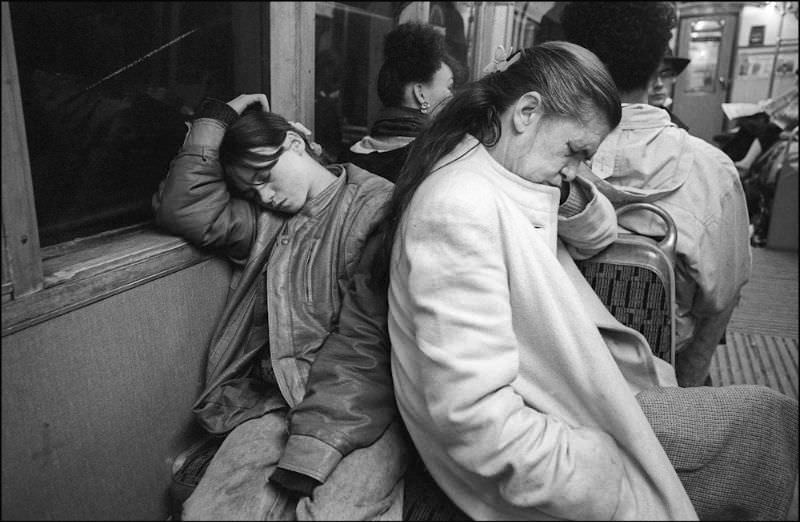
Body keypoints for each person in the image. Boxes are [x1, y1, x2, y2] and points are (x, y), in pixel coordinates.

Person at [379, 40, 798, 520]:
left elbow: (598, 234)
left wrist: (566, 186)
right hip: (560, 430)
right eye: (576, 151)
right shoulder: (460, 207)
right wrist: (602, 476)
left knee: (767, 420)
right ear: (528, 111)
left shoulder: (506, 171)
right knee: (766, 423)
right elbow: (473, 422)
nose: (577, 170)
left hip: (569, 394)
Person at [152, 93, 407, 520]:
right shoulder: (267, 224)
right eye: (251, 189)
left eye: (266, 175)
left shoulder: (379, 208)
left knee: (337, 513)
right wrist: (217, 117)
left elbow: (372, 347)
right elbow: (184, 206)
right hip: (275, 398)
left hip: (368, 403)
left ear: (294, 143)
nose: (264, 195)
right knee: (211, 512)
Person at [561, 1, 752, 388]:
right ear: (659, 68)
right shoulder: (712, 172)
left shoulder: (534, 155)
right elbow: (719, 305)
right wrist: (684, 392)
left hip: (553, 373)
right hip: (659, 378)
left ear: (574, 58)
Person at [340, 22, 455, 182]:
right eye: (449, 87)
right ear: (420, 93)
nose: (451, 96)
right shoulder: (433, 160)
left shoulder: (350, 155)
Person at [648, 48, 691, 130]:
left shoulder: (676, 127)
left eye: (665, 74)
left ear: (674, 78)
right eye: (650, 75)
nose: (659, 84)